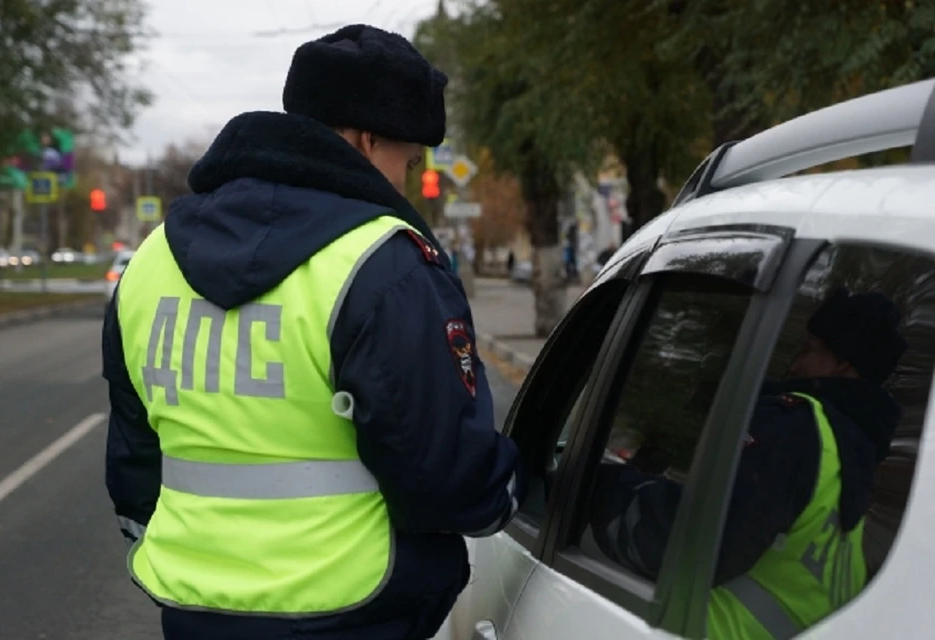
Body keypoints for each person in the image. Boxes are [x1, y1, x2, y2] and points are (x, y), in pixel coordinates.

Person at [102, 24, 526, 640]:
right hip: (356, 608)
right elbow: (445, 476)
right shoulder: (383, 263)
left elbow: (134, 458)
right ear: (366, 138)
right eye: (406, 160)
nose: (406, 181)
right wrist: (522, 489)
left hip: (195, 611)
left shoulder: (150, 260)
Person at [589, 288, 906, 639]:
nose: (795, 365)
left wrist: (602, 488)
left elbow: (684, 542)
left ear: (842, 364)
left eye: (806, 351)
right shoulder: (853, 467)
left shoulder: (794, 428)